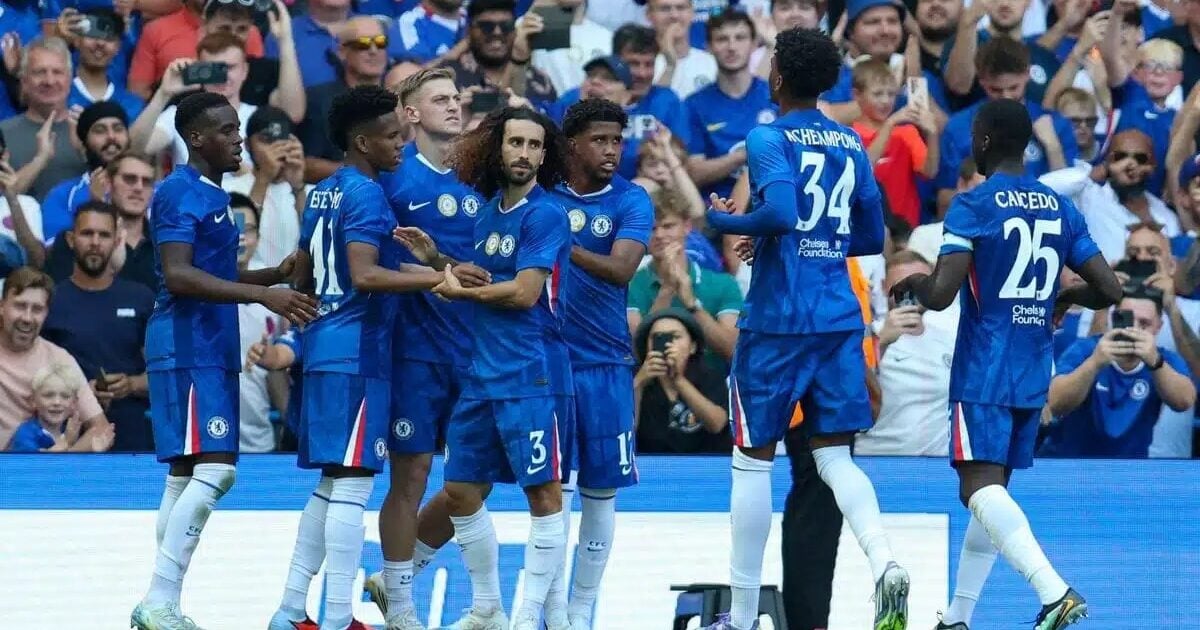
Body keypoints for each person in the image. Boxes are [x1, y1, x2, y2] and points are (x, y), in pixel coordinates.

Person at [891, 98, 1124, 630]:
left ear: (987, 140)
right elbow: (1109, 289)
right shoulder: (1060, 209)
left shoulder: (973, 206)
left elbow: (943, 294)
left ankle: (1054, 591)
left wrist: (912, 285)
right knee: (991, 492)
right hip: (1032, 366)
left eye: (975, 133)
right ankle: (958, 617)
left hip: (984, 366)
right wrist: (1062, 300)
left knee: (977, 489)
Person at [699, 27, 904, 630]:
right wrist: (816, 241)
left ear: (779, 77)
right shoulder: (849, 140)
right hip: (839, 316)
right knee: (834, 458)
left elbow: (784, 212)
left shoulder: (767, 135)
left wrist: (722, 219)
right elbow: (869, 235)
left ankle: (737, 619)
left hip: (779, 319)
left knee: (752, 461)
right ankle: (885, 560)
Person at [130, 91, 318, 630]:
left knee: (186, 475)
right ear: (196, 139)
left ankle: (164, 603)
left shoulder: (211, 194)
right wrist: (263, 297)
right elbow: (179, 275)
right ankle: (159, 597)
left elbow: (220, 276)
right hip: (188, 345)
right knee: (217, 470)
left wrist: (274, 276)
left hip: (206, 344)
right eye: (228, 130)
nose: (240, 139)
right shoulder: (177, 193)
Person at [268, 84, 446, 630]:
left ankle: (291, 609)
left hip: (324, 348)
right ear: (362, 140)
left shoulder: (322, 190)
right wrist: (438, 278)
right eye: (392, 135)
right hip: (358, 352)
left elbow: (303, 270)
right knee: (353, 485)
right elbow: (365, 274)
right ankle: (342, 616)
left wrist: (438, 268)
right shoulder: (368, 194)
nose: (402, 143)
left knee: (329, 484)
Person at [398, 106, 572, 630]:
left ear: (546, 155)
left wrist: (449, 283)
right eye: (515, 143)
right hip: (481, 374)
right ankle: (486, 607)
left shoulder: (546, 214)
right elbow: (477, 282)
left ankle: (525, 618)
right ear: (498, 148)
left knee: (543, 493)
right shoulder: (488, 212)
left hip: (528, 374)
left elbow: (523, 293)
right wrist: (437, 264)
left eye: (534, 146)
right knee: (461, 491)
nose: (524, 154)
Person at [361, 68, 488, 628]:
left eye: (457, 98)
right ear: (409, 113)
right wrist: (438, 270)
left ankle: (404, 568)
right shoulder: (394, 179)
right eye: (440, 99)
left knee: (476, 477)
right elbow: (374, 258)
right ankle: (403, 610)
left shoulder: (477, 178)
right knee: (409, 475)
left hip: (476, 347)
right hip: (413, 348)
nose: (454, 107)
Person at [542, 97, 653, 630]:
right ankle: (552, 613)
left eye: (617, 140)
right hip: (550, 362)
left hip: (608, 363)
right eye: (600, 140)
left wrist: (561, 241)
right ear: (571, 145)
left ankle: (582, 607)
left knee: (601, 494)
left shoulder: (632, 200)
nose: (611, 150)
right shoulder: (543, 194)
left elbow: (621, 268)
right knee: (553, 495)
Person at [40, 201, 156, 452]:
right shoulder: (50, 301)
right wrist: (80, 393)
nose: (95, 242)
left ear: (117, 241)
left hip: (135, 442)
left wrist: (132, 384)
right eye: (87, 233)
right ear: (71, 239)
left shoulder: (141, 298)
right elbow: (36, 376)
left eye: (104, 235)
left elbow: (168, 374)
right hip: (69, 442)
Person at [1047, 289, 1195, 458]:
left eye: (1144, 323)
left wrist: (1156, 363)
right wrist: (1094, 363)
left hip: (1132, 470)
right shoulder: (1085, 349)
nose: (1133, 329)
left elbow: (1184, 402)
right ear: (1114, 317)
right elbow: (1055, 403)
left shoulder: (1164, 359)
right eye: (1127, 320)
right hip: (1073, 466)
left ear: (1158, 326)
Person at [633, 306, 731, 453]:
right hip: (650, 466)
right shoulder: (634, 379)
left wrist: (679, 381)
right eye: (658, 337)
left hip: (707, 466)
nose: (667, 344)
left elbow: (717, 424)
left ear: (692, 346)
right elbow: (623, 431)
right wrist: (638, 385)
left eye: (675, 337)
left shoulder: (710, 376)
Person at [7, 363, 102, 452]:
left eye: (65, 396)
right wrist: (66, 443)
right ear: (33, 401)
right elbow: (33, 467)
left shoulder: (70, 430)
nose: (57, 402)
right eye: (48, 395)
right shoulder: (26, 434)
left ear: (74, 403)